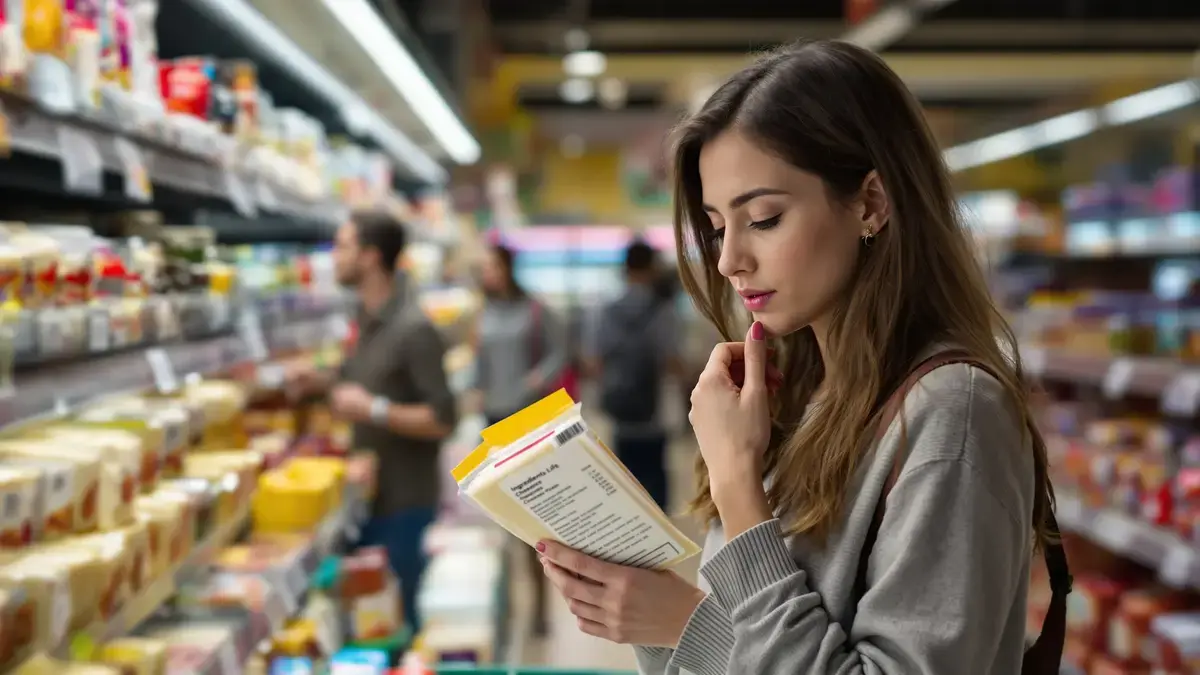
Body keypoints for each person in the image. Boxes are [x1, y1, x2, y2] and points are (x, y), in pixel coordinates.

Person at [535, 40, 1065, 675]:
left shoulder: (954, 411)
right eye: (715, 226)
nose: (730, 260)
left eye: (762, 219)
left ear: (870, 203)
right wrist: (656, 616)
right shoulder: (800, 391)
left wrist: (692, 598)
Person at [287, 211, 457, 633]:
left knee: (397, 623)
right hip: (367, 495)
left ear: (370, 257)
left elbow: (443, 418)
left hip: (403, 501)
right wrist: (322, 382)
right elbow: (364, 383)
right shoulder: (365, 320)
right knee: (370, 621)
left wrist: (373, 410)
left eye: (343, 247)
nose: (334, 258)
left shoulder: (414, 328)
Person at [467, 242, 567, 634]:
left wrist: (536, 380)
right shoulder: (484, 312)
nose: (486, 274)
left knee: (532, 519)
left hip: (529, 420)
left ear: (508, 267)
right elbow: (479, 363)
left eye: (491, 266)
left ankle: (540, 610)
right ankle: (505, 606)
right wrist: (474, 388)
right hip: (492, 421)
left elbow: (561, 353)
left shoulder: (536, 310)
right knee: (502, 517)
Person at [584, 239, 683, 509]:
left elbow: (593, 362)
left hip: (620, 408)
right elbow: (672, 360)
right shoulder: (663, 310)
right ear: (651, 267)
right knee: (655, 471)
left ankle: (632, 531)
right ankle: (661, 534)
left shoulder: (605, 310)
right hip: (654, 408)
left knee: (626, 476)